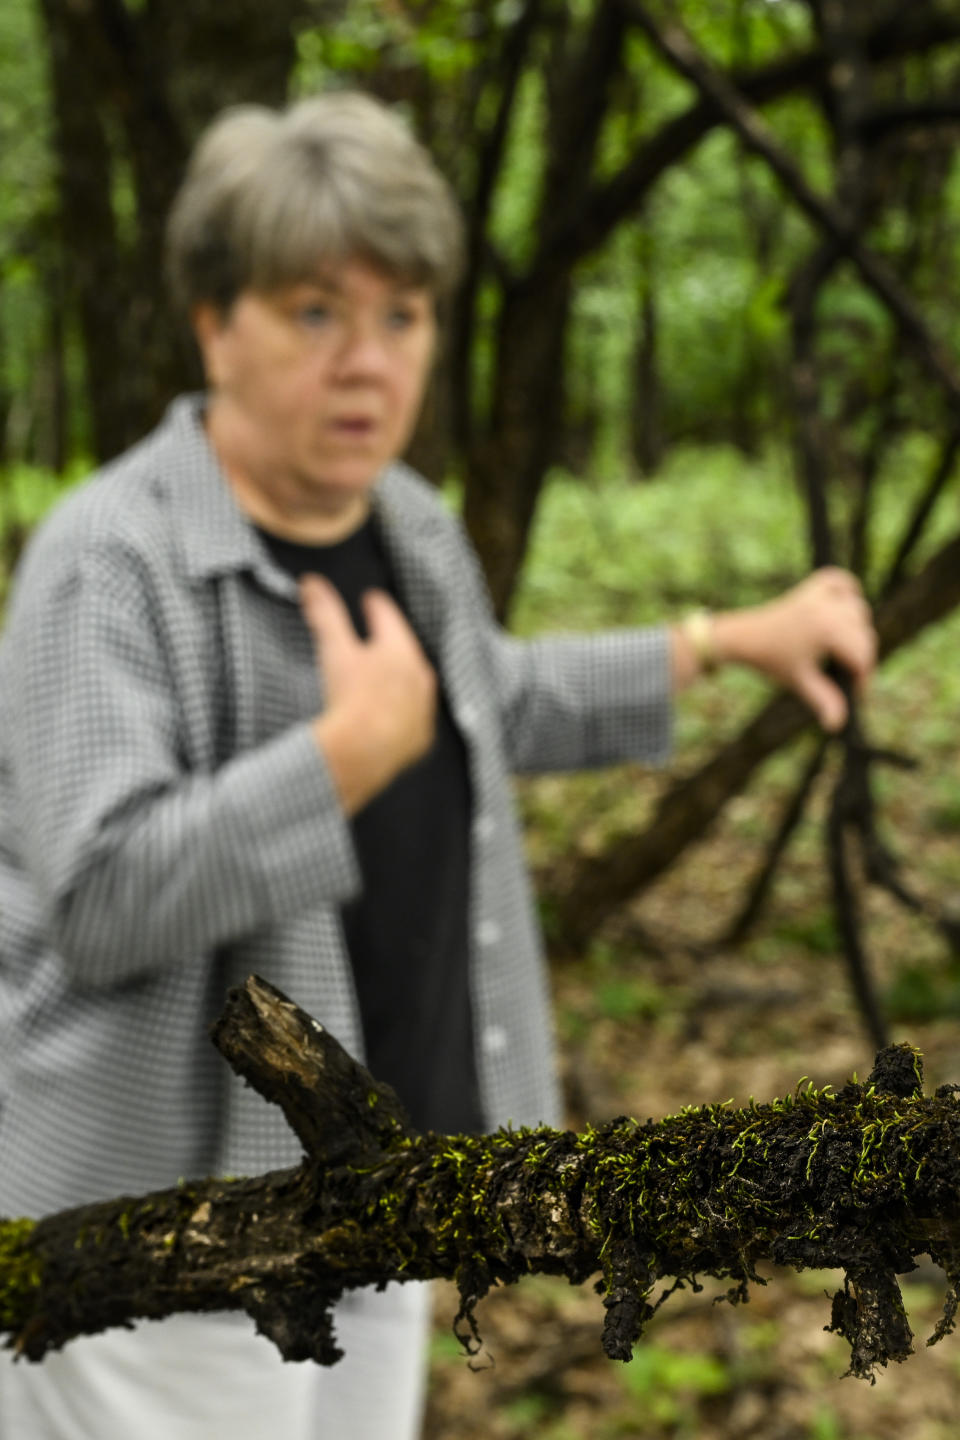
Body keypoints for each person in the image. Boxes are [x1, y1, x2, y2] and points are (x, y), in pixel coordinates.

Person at [0, 91, 875, 1440]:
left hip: (376, 1195)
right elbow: (105, 895)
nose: (368, 363)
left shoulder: (406, 524)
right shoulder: (109, 562)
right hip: (154, 1259)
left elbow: (486, 700)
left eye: (401, 315)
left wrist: (719, 641)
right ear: (212, 321)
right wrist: (337, 758)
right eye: (314, 312)